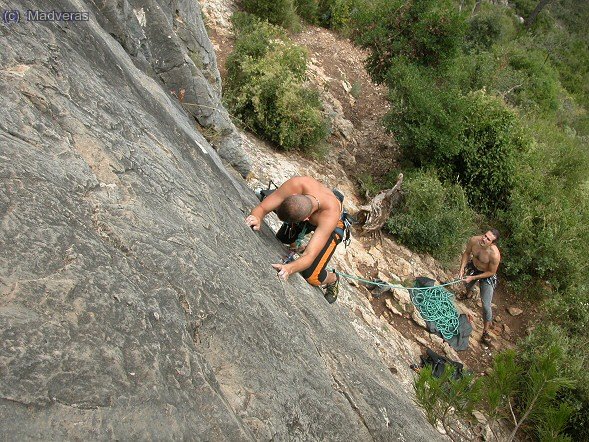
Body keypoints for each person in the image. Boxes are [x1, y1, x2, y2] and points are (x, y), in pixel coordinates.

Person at [245, 176, 345, 303]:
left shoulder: (329, 215)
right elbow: (262, 208)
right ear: (293, 195)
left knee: (311, 276)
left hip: (334, 220)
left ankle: (333, 278)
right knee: (284, 238)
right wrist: (256, 217)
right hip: (307, 206)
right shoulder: (298, 183)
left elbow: (310, 255)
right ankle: (295, 244)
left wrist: (289, 268)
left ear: (305, 219)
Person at [458, 229, 501, 345]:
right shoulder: (474, 240)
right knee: (466, 283)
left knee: (486, 306)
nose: (484, 239)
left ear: (492, 243)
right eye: (485, 236)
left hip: (486, 275)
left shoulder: (494, 255)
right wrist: (462, 268)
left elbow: (491, 272)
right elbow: (467, 253)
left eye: (488, 239)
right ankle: (468, 294)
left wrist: (474, 278)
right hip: (474, 267)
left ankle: (485, 331)